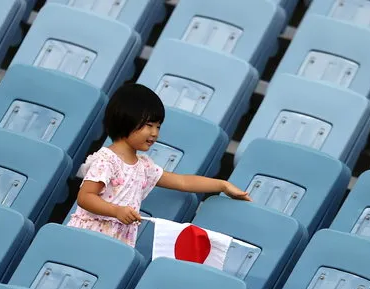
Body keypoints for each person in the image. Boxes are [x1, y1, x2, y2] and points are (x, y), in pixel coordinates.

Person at [66, 83, 251, 247]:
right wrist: (116, 211)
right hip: (86, 239)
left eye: (158, 126)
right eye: (149, 125)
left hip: (116, 244)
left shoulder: (144, 166)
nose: (155, 133)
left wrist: (222, 185)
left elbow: (182, 182)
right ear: (124, 120)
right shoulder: (107, 160)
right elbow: (85, 197)